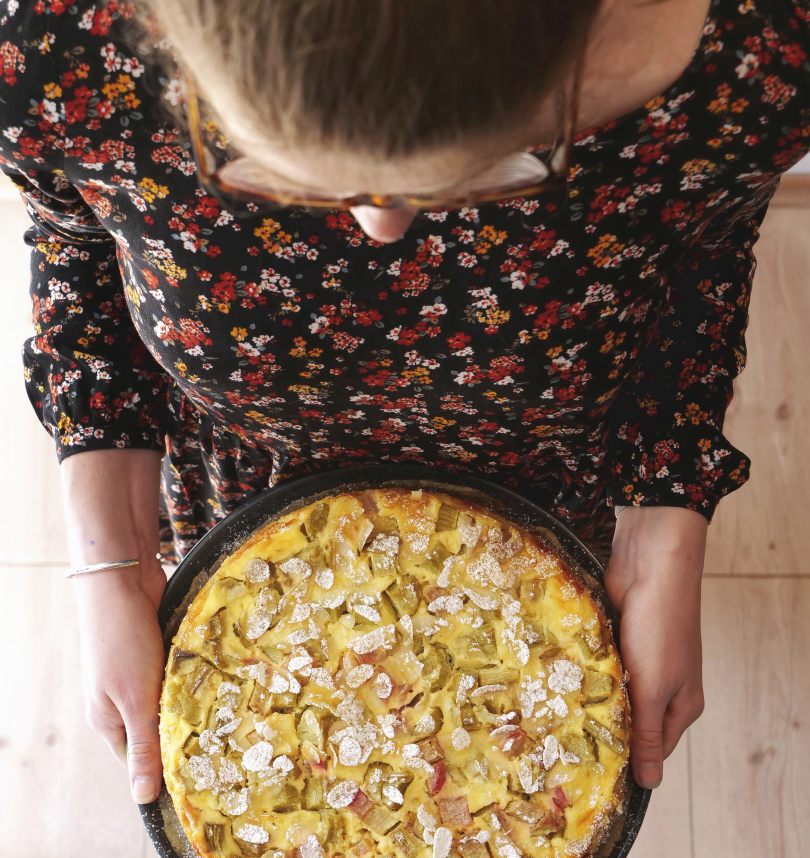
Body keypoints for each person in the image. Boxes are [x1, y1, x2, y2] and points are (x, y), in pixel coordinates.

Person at [0, 0, 807, 805]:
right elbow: (74, 235)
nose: (381, 221)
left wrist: (666, 532)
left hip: (555, 474)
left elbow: (705, 253)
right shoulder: (52, 46)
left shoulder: (747, 52)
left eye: (487, 165)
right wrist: (110, 555)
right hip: (242, 473)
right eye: (292, 173)